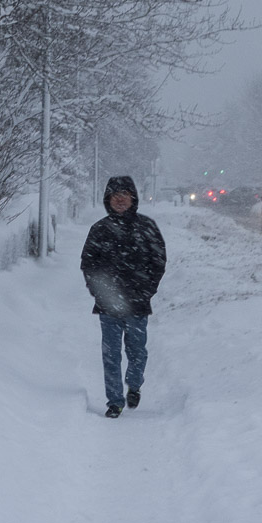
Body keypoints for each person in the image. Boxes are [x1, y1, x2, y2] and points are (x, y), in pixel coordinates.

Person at [80, 175, 167, 418]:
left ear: (133, 198)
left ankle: (135, 384)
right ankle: (114, 401)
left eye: (124, 195)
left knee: (137, 350)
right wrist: (100, 292)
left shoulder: (146, 227)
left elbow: (158, 261)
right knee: (111, 354)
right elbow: (88, 265)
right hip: (108, 305)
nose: (120, 200)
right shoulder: (99, 230)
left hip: (138, 304)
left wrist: (147, 289)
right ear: (108, 200)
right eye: (115, 196)